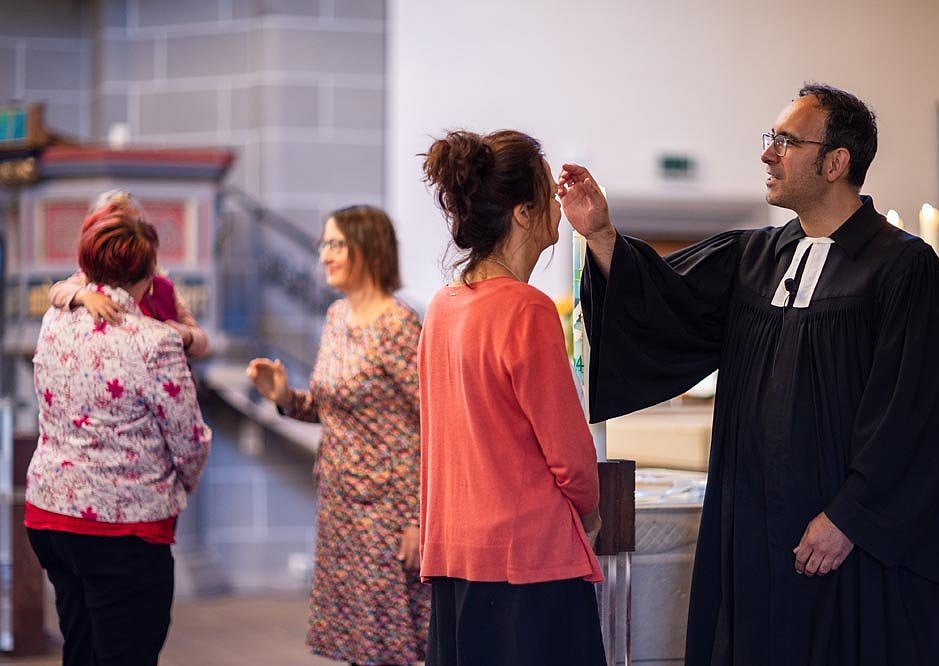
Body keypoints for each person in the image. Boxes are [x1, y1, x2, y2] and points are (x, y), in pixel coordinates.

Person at [560, 83, 939, 665]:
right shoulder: (753, 258)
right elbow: (663, 308)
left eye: (785, 141)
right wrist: (602, 235)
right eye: (770, 139)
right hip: (753, 534)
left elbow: (915, 415)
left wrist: (848, 518)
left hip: (847, 548)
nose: (767, 153)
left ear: (835, 163)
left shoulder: (902, 268)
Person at [419, 129, 606, 666]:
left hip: (456, 553)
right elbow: (570, 458)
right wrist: (588, 515)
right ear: (524, 213)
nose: (557, 202)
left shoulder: (443, 307)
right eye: (548, 191)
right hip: (529, 561)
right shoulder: (526, 309)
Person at [25, 203, 212, 666]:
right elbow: (190, 440)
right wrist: (177, 486)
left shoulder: (54, 322)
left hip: (50, 515)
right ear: (149, 270)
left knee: (81, 648)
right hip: (121, 527)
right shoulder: (154, 342)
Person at [246, 205, 428, 665]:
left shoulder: (398, 324)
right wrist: (286, 396)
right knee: (356, 644)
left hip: (389, 509)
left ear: (368, 250)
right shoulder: (335, 317)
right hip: (340, 505)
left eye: (334, 244)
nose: (323, 254)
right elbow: (336, 408)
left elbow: (435, 421)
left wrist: (419, 519)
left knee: (391, 646)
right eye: (323, 244)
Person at [49, 190, 209, 358]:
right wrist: (84, 295)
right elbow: (57, 291)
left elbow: (201, 341)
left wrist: (186, 335)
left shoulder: (162, 285)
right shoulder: (90, 281)